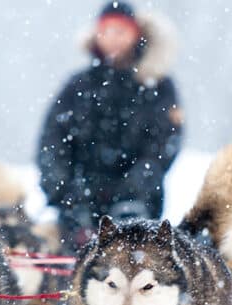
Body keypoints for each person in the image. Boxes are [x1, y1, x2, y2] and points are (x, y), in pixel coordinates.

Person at [36, 1, 183, 253]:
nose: (113, 39)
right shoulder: (78, 85)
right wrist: (66, 193)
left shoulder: (158, 85)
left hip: (139, 204)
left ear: (136, 34)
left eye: (121, 31)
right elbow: (53, 142)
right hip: (78, 205)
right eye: (106, 31)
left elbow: (164, 144)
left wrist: (136, 187)